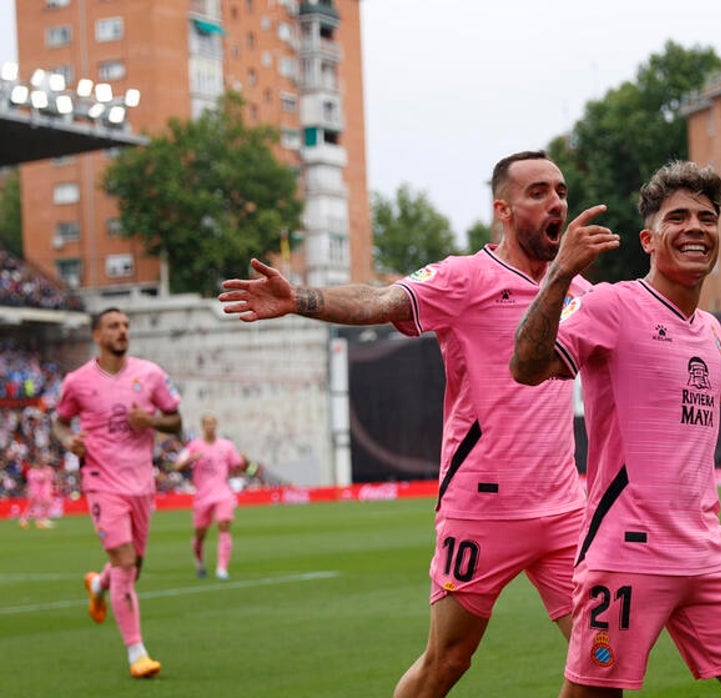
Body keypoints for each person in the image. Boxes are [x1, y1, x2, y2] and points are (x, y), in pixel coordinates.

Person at [219, 151, 591, 698]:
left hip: (566, 511)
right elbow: (380, 298)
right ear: (504, 210)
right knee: (448, 662)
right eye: (537, 192)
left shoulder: (577, 293)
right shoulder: (466, 276)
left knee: (600, 657)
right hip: (483, 509)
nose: (556, 201)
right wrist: (299, 298)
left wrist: (718, 349)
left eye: (560, 191)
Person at [511, 160, 721, 697]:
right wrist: (560, 274)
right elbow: (526, 365)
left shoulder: (706, 329)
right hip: (627, 552)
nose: (696, 228)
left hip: (706, 549)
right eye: (678, 217)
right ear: (649, 239)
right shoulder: (610, 304)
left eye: (707, 217)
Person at [53, 307, 183, 679]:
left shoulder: (151, 374)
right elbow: (59, 424)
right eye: (113, 326)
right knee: (126, 564)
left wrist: (153, 420)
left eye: (125, 325)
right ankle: (137, 653)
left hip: (141, 483)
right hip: (101, 481)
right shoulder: (77, 381)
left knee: (133, 568)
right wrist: (69, 441)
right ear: (97, 335)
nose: (122, 331)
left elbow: (176, 421)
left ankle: (98, 583)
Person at [172, 413, 247, 580]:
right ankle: (199, 562)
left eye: (212, 423)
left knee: (224, 524)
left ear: (216, 425)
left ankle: (222, 568)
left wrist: (245, 461)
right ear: (202, 426)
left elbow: (238, 466)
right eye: (207, 424)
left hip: (222, 492)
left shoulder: (226, 446)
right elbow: (176, 465)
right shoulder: (194, 446)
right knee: (200, 534)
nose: (210, 426)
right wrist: (191, 458)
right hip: (202, 495)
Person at [19, 459, 56, 529]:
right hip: (37, 492)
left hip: (38, 491)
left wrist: (47, 473)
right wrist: (47, 473)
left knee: (34, 506)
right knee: (38, 506)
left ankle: (26, 520)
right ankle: (39, 520)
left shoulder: (33, 471)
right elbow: (41, 479)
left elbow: (50, 477)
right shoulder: (33, 472)